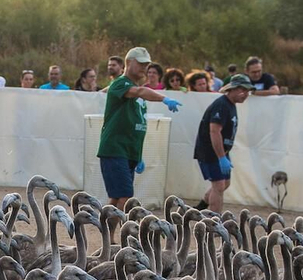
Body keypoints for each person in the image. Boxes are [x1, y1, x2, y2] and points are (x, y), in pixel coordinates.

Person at [97, 46, 182, 208]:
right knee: (125, 197)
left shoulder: (135, 92)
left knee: (117, 198)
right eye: (141, 63)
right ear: (128, 62)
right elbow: (140, 91)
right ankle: (122, 232)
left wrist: (137, 153)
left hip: (129, 151)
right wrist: (164, 99)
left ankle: (108, 232)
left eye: (146, 64)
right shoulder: (120, 83)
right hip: (115, 149)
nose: (144, 68)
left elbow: (134, 123)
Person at [195, 74, 251, 209]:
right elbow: (214, 131)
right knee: (218, 186)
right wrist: (221, 157)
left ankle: (200, 208)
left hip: (221, 151)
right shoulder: (221, 105)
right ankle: (215, 221)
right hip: (211, 151)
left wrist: (223, 155)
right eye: (243, 90)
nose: (246, 94)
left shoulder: (231, 105)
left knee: (225, 183)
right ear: (232, 89)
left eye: (248, 91)